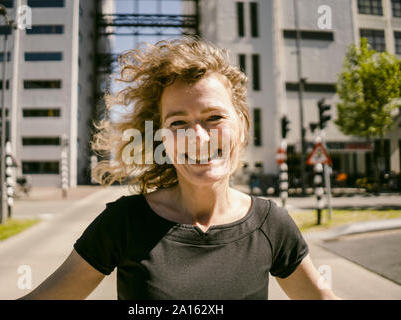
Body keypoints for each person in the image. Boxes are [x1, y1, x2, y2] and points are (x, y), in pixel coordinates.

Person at [20, 37, 340, 300]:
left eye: (214, 117)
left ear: (242, 126)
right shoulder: (124, 222)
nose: (198, 138)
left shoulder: (273, 225)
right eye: (178, 123)